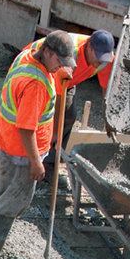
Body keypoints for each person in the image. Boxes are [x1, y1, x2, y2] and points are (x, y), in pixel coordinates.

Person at [0, 31, 76, 259]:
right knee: (13, 201)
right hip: (21, 154)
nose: (60, 67)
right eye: (59, 62)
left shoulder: (27, 56)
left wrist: (60, 74)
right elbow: (26, 128)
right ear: (49, 53)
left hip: (4, 140)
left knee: (0, 191)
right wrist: (36, 162)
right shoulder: (36, 85)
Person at [21, 30, 115, 185]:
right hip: (39, 67)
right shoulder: (70, 55)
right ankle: (33, 161)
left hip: (67, 80)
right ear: (89, 47)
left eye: (104, 59)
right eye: (98, 58)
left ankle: (50, 164)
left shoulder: (105, 59)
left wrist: (108, 118)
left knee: (69, 116)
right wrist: (56, 131)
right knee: (42, 120)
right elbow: (57, 98)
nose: (100, 63)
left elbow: (106, 90)